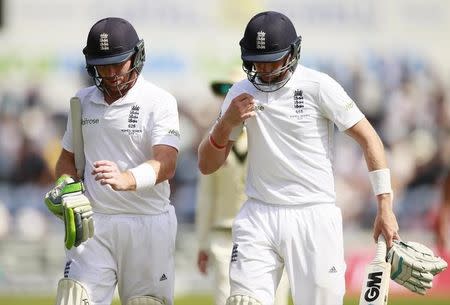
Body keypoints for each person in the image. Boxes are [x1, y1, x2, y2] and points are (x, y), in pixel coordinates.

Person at [197, 11, 399, 305]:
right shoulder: (240, 92)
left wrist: (385, 205)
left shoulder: (319, 86)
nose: (264, 69)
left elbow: (369, 138)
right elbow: (206, 165)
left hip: (313, 215)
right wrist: (225, 124)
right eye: (257, 60)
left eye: (273, 59)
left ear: (293, 53)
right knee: (242, 301)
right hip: (259, 215)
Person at [45, 17, 180, 305]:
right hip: (94, 223)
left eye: (118, 63)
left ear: (136, 57)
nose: (110, 73)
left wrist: (127, 178)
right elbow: (66, 159)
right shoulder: (81, 101)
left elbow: (167, 163)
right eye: (102, 66)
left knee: (146, 302)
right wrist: (67, 187)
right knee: (73, 298)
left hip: (147, 223)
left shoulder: (159, 100)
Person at [196, 80, 289, 305]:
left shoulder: (271, 138)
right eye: (226, 94)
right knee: (226, 299)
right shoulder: (213, 141)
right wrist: (202, 241)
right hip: (223, 234)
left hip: (268, 230)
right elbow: (207, 195)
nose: (229, 100)